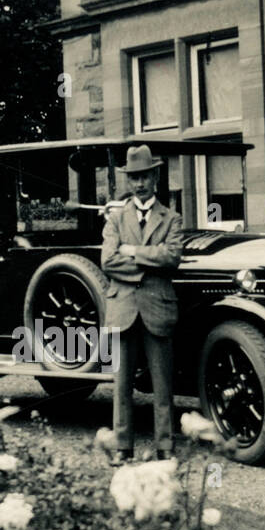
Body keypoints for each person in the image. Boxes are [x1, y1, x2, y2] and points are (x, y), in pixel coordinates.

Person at [100, 144, 184, 465]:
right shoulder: (116, 219)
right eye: (133, 177)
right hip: (123, 309)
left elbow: (172, 258)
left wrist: (132, 252)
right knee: (121, 386)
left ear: (155, 176)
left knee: (163, 385)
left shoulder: (171, 218)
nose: (139, 183)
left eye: (145, 176)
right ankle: (123, 449)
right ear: (128, 180)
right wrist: (151, 257)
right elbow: (108, 260)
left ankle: (165, 449)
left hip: (157, 309)